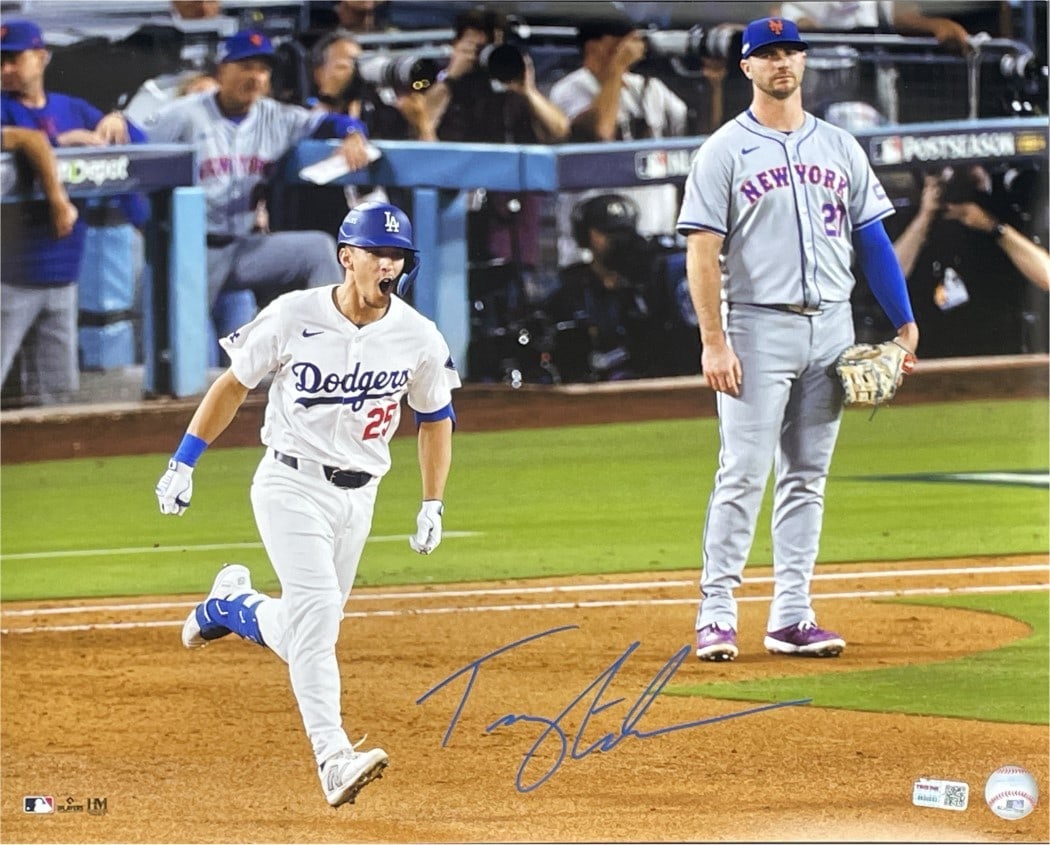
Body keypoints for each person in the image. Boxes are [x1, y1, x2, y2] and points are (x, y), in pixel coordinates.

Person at [153, 200, 461, 807]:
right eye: (378, 254)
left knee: (304, 634)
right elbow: (233, 384)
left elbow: (435, 418)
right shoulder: (294, 315)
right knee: (319, 621)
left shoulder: (417, 334)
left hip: (360, 498)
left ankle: (231, 605)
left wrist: (432, 502)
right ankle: (333, 756)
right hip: (289, 485)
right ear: (348, 257)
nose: (389, 267)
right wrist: (183, 460)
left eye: (398, 257)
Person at [675, 16, 919, 662]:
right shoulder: (724, 151)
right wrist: (714, 340)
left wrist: (903, 320)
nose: (783, 62)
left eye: (792, 52)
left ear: (804, 64)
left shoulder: (839, 146)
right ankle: (717, 613)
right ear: (747, 67)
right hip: (756, 325)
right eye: (769, 54)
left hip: (833, 325)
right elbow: (702, 253)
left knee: (807, 476)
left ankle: (790, 615)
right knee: (743, 472)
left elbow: (871, 239)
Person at [140, 28, 373, 310]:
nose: (256, 77)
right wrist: (116, 121)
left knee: (319, 249)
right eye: (246, 67)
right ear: (222, 71)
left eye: (263, 70)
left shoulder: (275, 116)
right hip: (192, 251)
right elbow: (136, 147)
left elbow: (328, 122)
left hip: (244, 247)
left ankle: (328, 344)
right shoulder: (184, 114)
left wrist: (352, 133)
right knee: (196, 347)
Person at [1, 19, 146, 406]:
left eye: (13, 59)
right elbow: (26, 139)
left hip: (64, 275)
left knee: (57, 399)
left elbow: (142, 148)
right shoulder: (3, 107)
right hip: (9, 277)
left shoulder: (72, 108)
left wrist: (119, 120)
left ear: (41, 57)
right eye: (0, 61)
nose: (5, 69)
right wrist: (59, 144)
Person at [549, 17, 692, 268]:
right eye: (620, 39)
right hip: (595, 249)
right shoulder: (569, 89)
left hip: (655, 232)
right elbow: (601, 131)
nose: (631, 45)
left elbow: (693, 136)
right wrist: (616, 68)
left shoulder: (651, 88)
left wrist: (714, 82)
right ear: (593, 46)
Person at [883, 165, 1049, 357]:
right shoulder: (908, 219)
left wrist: (992, 227)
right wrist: (925, 216)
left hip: (998, 350)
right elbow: (888, 281)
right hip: (929, 352)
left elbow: (1046, 275)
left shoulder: (1005, 212)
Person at [544, 192, 694, 382]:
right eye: (607, 233)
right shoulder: (572, 287)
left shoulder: (650, 281)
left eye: (622, 232)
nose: (617, 241)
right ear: (585, 235)